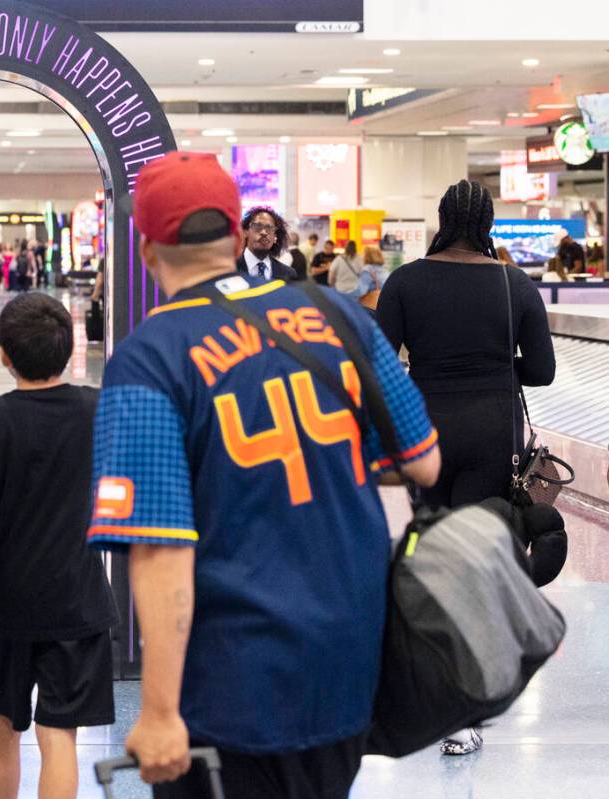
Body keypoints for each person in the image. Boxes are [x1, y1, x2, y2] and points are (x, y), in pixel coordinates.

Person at [87, 151, 440, 798]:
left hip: (234, 688)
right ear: (235, 231)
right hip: (348, 660)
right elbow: (423, 459)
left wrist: (160, 710)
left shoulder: (150, 358)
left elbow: (159, 545)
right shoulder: (341, 316)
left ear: (145, 248)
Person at [376, 180, 556, 755]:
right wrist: (493, 366)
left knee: (432, 551)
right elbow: (543, 372)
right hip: (488, 436)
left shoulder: (405, 281)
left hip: (424, 433)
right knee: (474, 561)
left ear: (441, 217)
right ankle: (467, 705)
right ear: (488, 223)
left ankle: (426, 687)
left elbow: (382, 361)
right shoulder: (513, 282)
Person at [0, 292, 118, 799]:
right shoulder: (97, 408)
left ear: (4, 354)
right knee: (58, 734)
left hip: (11, 609)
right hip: (79, 603)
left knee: (2, 725)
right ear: (70, 346)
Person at [235, 207, 297, 283]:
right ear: (245, 232)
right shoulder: (230, 270)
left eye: (269, 228)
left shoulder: (288, 274)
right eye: (257, 226)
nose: (264, 232)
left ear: (275, 236)